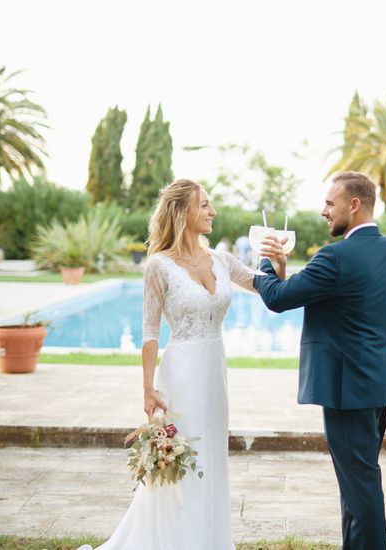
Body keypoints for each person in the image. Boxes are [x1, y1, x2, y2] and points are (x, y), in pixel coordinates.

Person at [79, 179, 285, 550]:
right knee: (180, 461)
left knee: (211, 457)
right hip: (180, 375)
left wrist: (279, 264)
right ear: (183, 212)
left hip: (213, 373)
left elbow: (264, 286)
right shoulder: (158, 266)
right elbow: (149, 330)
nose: (213, 212)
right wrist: (147, 389)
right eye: (204, 205)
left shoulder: (222, 261)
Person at [253, 171, 386, 550]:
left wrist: (264, 264)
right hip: (378, 386)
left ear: (354, 205)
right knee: (356, 483)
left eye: (330, 203)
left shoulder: (335, 257)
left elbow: (278, 298)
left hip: (348, 392)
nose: (323, 211)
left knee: (361, 488)